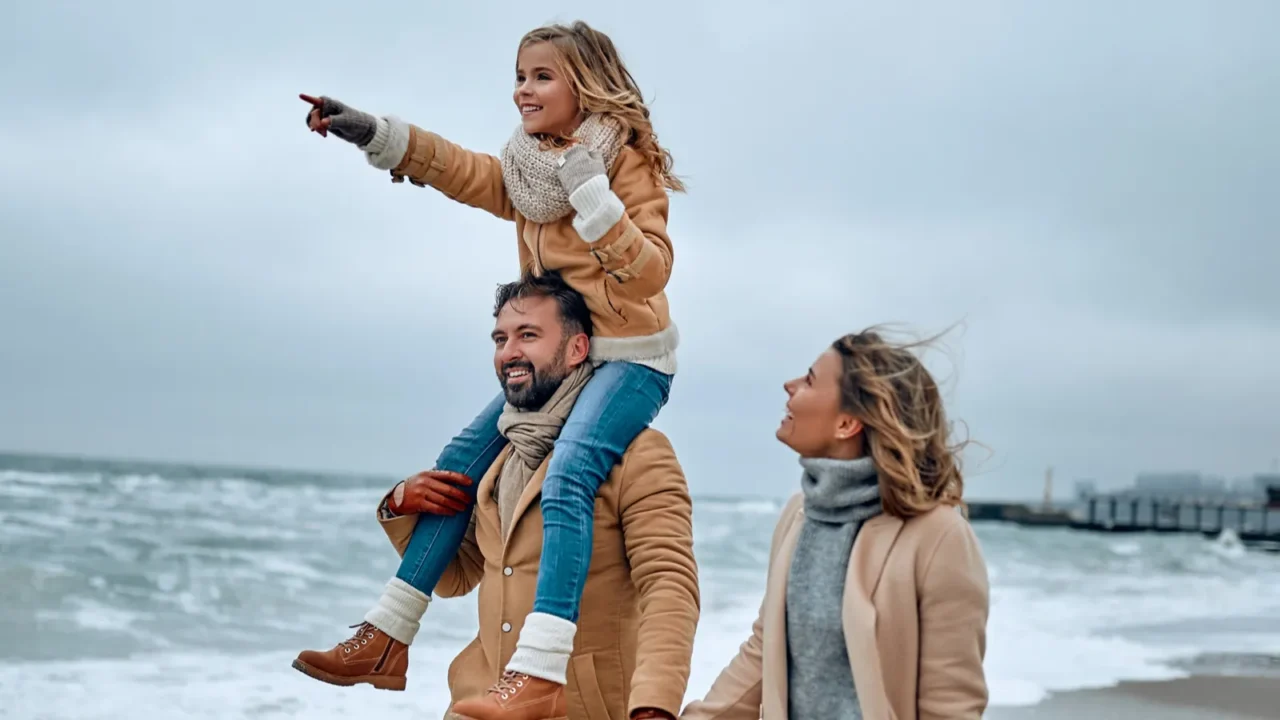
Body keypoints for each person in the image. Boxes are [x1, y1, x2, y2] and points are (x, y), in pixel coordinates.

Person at [294, 19, 685, 709]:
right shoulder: (529, 166)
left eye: (540, 77)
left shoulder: (624, 161)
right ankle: (387, 635)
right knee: (454, 468)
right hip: (561, 361)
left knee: (569, 474)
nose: (522, 92)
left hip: (625, 357)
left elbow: (651, 273)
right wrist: (376, 134)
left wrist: (593, 198)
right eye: (518, 76)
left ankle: (538, 669)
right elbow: (462, 169)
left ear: (586, 84)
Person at [295, 273, 698, 720]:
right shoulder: (497, 456)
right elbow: (457, 576)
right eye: (500, 339)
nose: (510, 353)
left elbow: (670, 585)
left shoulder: (639, 453)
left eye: (528, 336)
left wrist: (655, 705)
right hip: (477, 702)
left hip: (583, 707)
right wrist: (399, 505)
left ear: (577, 348)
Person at [679, 329, 990, 720]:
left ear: (847, 424)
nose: (789, 386)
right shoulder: (799, 514)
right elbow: (765, 651)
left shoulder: (939, 536)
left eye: (809, 380)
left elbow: (950, 706)